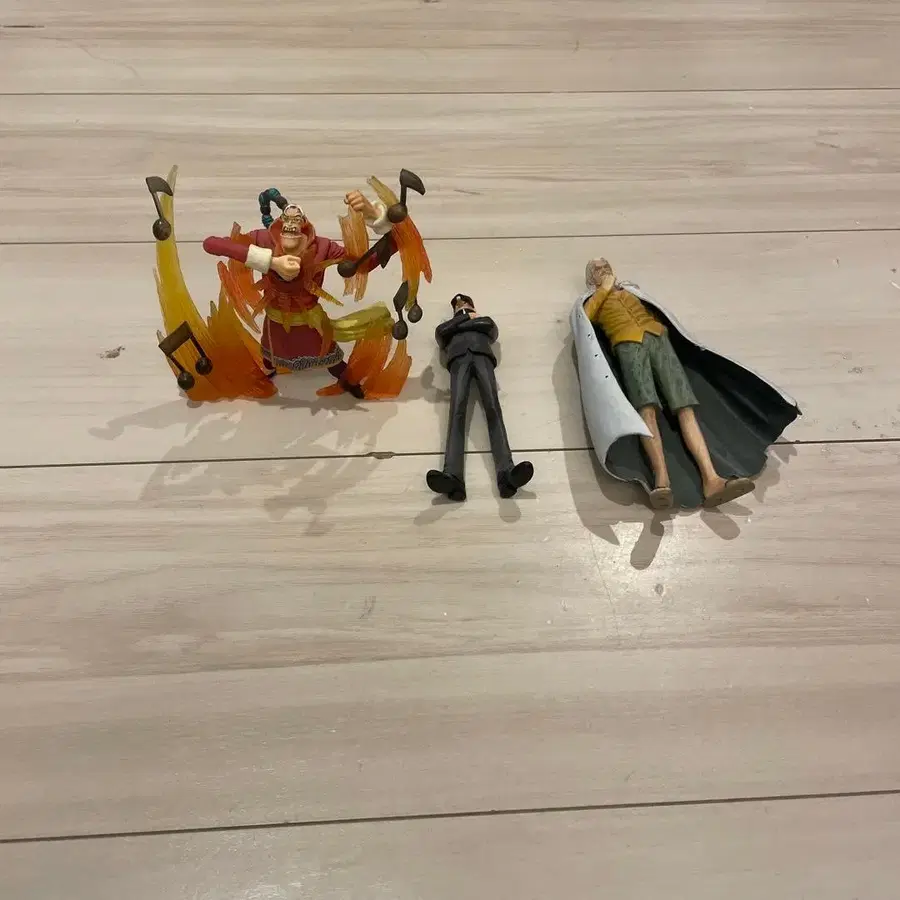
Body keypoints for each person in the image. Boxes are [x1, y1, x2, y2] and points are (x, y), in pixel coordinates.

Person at [583, 258, 754, 509]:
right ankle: (661, 481)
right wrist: (604, 289)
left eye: (606, 267)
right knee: (646, 410)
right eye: (597, 269)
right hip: (628, 344)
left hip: (657, 338)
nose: (604, 271)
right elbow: (586, 318)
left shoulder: (631, 291)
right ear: (591, 278)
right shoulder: (591, 300)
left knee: (684, 406)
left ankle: (712, 478)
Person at [202, 189, 395, 398]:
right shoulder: (264, 239)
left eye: (297, 219)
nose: (291, 224)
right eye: (286, 219)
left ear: (305, 226)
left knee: (331, 359)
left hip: (310, 323)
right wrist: (270, 262)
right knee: (270, 355)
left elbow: (365, 264)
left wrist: (373, 214)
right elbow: (211, 244)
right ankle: (267, 370)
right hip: (275, 322)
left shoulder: (323, 247)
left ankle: (346, 379)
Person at [426, 294, 534, 502]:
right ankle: (453, 475)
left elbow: (490, 328)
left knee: (493, 408)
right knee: (456, 412)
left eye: (464, 303)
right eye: (458, 305)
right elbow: (441, 334)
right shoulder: (462, 321)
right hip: (458, 360)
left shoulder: (481, 320)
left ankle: (506, 473)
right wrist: (466, 319)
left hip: (482, 356)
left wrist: (458, 325)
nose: (461, 306)